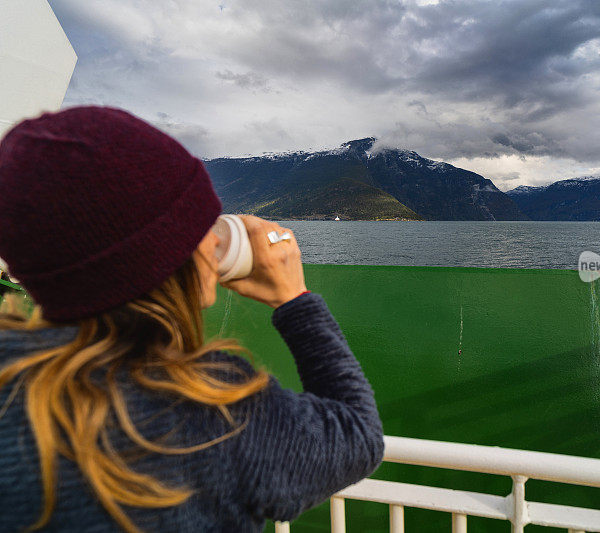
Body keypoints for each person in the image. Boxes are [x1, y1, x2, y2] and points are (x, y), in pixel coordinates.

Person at [0, 106, 384, 532]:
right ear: (174, 253)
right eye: (203, 224)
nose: (213, 240)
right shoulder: (214, 414)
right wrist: (295, 299)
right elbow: (358, 435)